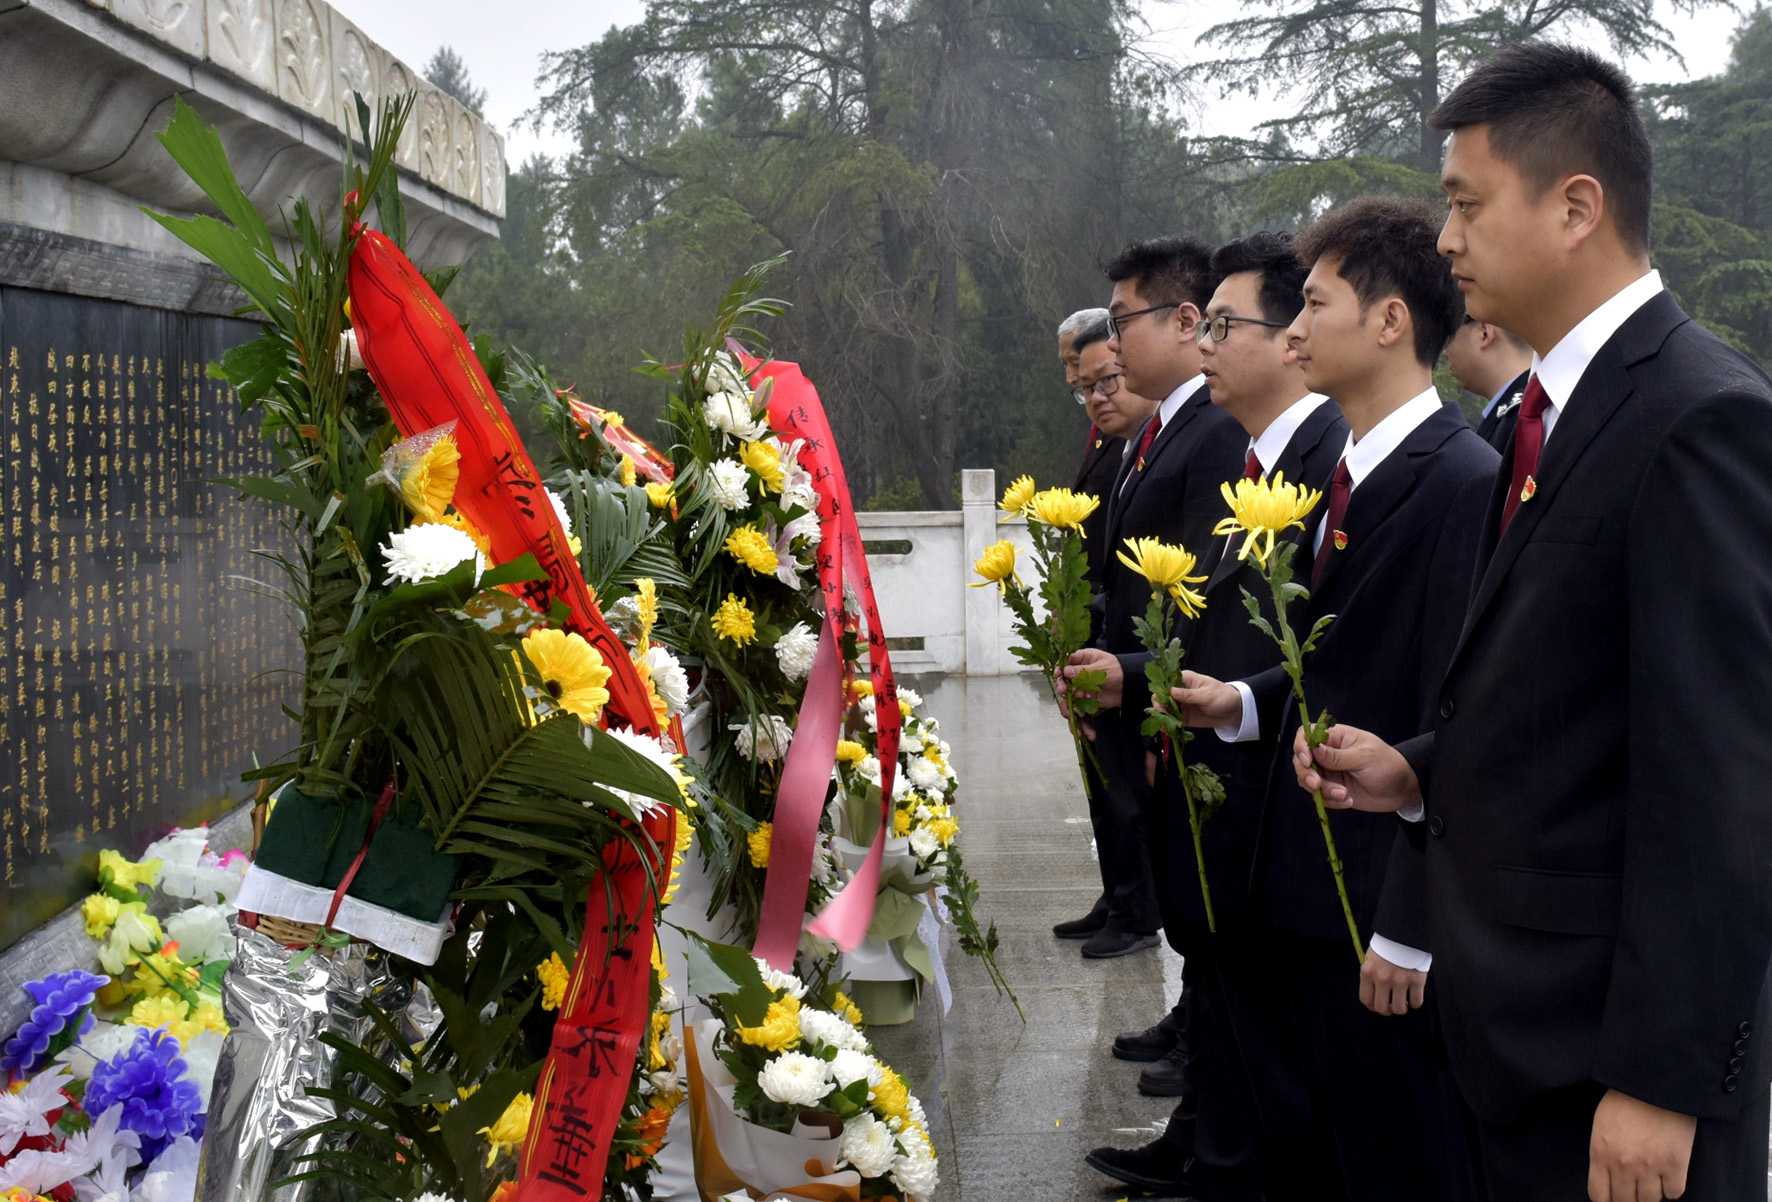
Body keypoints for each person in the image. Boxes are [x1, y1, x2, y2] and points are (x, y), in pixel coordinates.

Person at [1292, 42, 1772, 1202]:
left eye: (1465, 203)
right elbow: (1571, 698)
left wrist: (1658, 1080)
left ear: (1574, 208)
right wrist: (1415, 770)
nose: (1445, 238)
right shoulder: (1548, 414)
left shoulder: (1696, 415)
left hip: (1606, 1066)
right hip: (1514, 1039)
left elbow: (1718, 780)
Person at [1171, 198, 1493, 1201]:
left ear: (1390, 321)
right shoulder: (1350, 472)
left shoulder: (1460, 480)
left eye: (1315, 305)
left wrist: (1408, 924)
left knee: (1394, 1161)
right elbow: (1335, 659)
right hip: (1304, 884)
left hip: (1376, 904)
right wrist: (1241, 701)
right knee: (1319, 1151)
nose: (1295, 329)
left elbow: (1456, 718)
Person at [1086, 231, 1343, 1199]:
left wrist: (1215, 697)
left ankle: (1226, 1153)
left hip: (1279, 793)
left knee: (1276, 1036)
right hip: (1217, 766)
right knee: (1232, 1003)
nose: (1205, 347)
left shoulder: (1325, 455)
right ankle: (1212, 1145)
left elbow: (1318, 642)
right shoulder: (1259, 452)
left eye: (1223, 326)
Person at [1053, 312, 1166, 949]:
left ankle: (1136, 909)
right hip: (1104, 626)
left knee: (1130, 785)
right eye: (1082, 385)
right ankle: (1118, 893)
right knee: (1106, 780)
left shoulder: (1159, 444)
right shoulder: (1114, 444)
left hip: (1140, 642)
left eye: (1106, 379)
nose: (1096, 395)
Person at [1445, 314, 1533, 450]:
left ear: (1484, 332)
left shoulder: (1524, 420)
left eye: (1449, 337)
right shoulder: (1537, 407)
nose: (1445, 353)